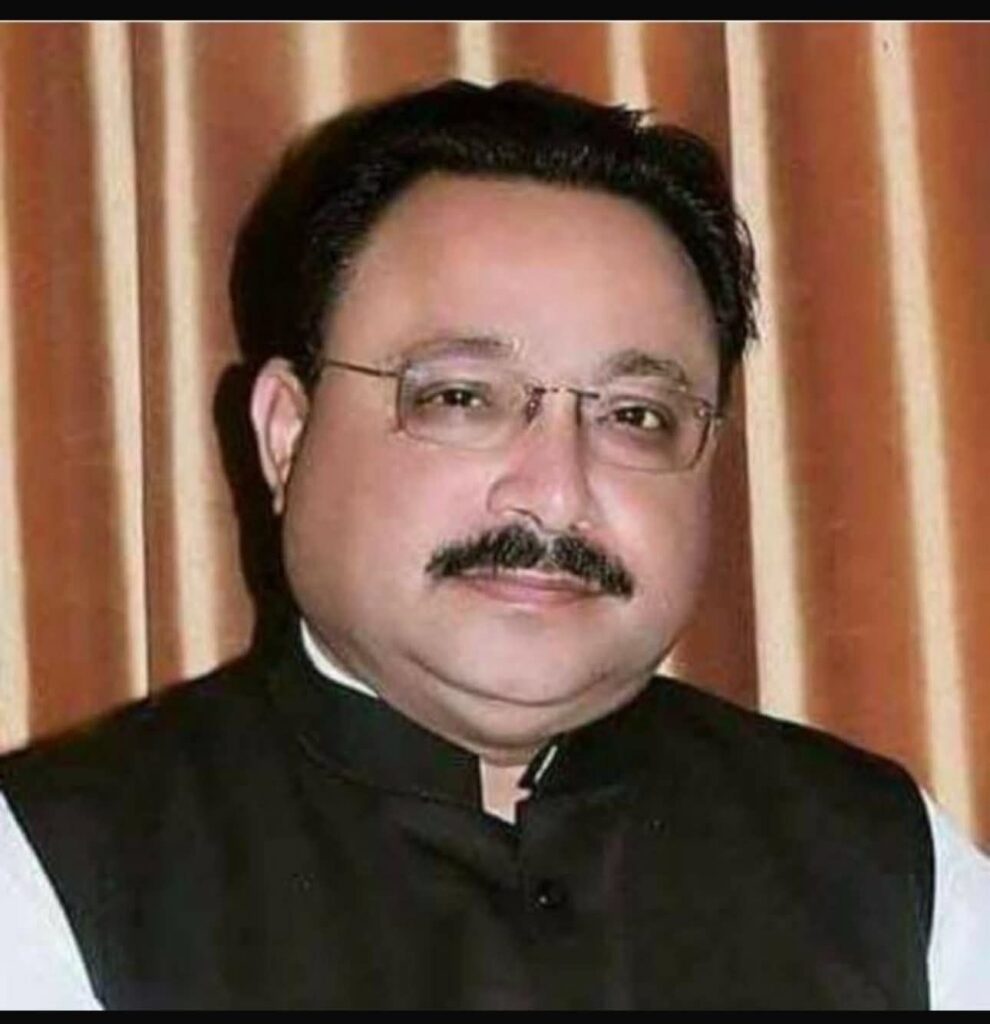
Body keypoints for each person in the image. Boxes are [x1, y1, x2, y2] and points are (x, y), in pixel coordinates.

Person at [0, 79, 988, 1010]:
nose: (554, 492)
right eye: (461, 397)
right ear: (287, 437)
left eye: (635, 416)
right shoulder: (51, 874)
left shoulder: (891, 869)